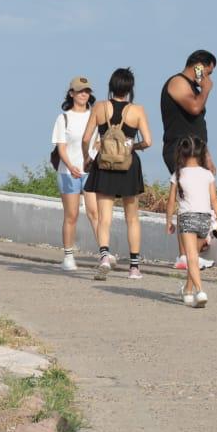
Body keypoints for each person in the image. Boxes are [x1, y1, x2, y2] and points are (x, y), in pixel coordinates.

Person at [84, 68, 153, 280]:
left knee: (104, 217)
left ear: (111, 87)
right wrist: (133, 146)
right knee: (132, 218)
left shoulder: (99, 107)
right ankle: (134, 268)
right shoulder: (137, 110)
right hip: (128, 166)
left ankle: (104, 256)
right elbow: (149, 141)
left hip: (104, 164)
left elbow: (86, 138)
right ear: (130, 88)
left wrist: (87, 158)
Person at [161, 51, 217, 273]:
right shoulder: (177, 83)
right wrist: (205, 88)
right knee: (189, 201)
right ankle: (186, 255)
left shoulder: (193, 87)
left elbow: (196, 124)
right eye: (207, 71)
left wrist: (207, 154)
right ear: (199, 65)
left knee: (198, 201)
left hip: (196, 150)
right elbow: (194, 108)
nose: (207, 76)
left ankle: (189, 254)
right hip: (180, 149)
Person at [166, 135, 217, 307]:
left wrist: (169, 221)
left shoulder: (177, 175)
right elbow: (215, 200)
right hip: (204, 219)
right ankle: (187, 291)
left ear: (181, 154)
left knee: (191, 257)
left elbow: (171, 201)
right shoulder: (208, 175)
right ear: (202, 154)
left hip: (186, 218)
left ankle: (200, 291)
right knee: (195, 257)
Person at [52, 77, 100, 271]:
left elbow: (100, 140)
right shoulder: (63, 118)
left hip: (90, 170)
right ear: (71, 93)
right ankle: (68, 255)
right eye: (80, 91)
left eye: (86, 91)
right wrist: (71, 166)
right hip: (68, 172)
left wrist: (93, 157)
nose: (83, 94)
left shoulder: (94, 116)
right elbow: (61, 147)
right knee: (71, 215)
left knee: (94, 212)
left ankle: (103, 252)